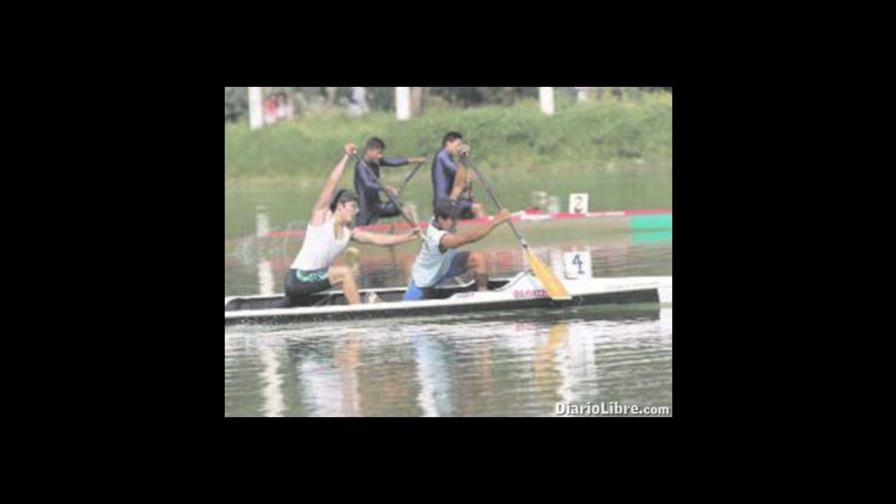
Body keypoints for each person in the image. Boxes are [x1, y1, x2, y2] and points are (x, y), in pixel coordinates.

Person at [285, 142, 421, 305]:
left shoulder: (349, 231)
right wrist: (346, 157)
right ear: (341, 206)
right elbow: (331, 184)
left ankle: (361, 304)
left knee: (340, 282)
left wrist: (408, 236)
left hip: (310, 283)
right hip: (298, 278)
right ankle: (360, 314)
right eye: (353, 207)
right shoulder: (321, 218)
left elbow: (378, 239)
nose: (357, 211)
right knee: (344, 272)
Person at [403, 198, 511, 301]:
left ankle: (483, 293)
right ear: (441, 219)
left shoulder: (440, 218)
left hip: (445, 267)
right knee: (408, 307)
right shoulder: (439, 238)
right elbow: (469, 238)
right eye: (453, 219)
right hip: (423, 281)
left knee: (477, 258)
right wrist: (496, 221)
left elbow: (451, 198)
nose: (456, 222)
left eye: (456, 217)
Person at [353, 137, 426, 226]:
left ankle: (415, 229)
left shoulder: (375, 161)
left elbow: (393, 162)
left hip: (377, 206)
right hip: (364, 209)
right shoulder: (361, 166)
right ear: (369, 151)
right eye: (378, 153)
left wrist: (414, 160)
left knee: (401, 207)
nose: (380, 156)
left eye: (381, 153)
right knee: (359, 231)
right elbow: (368, 185)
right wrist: (387, 188)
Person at [431, 131, 487, 219]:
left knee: (475, 204)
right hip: (443, 203)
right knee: (478, 208)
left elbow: (459, 181)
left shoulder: (450, 159)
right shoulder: (442, 156)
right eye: (458, 145)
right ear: (448, 143)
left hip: (452, 200)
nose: (459, 148)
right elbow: (458, 172)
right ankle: (485, 226)